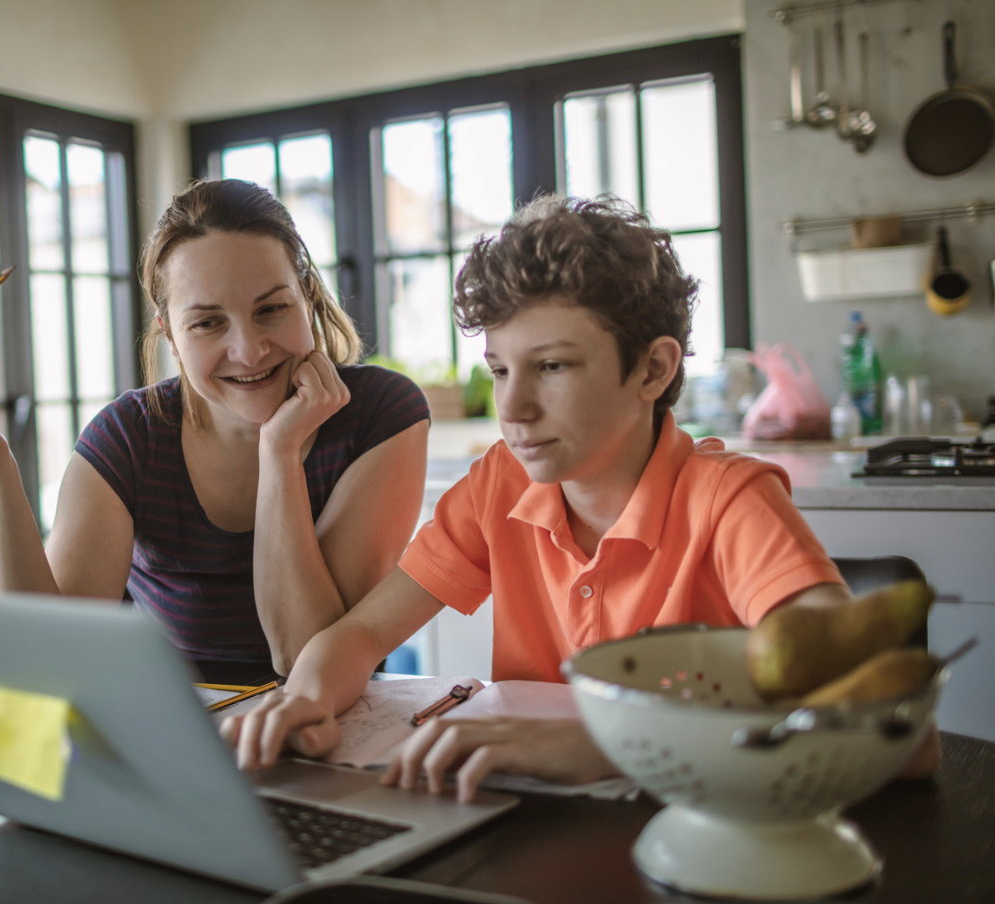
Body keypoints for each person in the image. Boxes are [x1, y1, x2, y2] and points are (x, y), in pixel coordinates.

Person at [223, 194, 939, 798]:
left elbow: (900, 737)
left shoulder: (729, 502)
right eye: (500, 371)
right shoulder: (497, 485)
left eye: (553, 366)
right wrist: (307, 699)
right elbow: (363, 635)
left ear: (653, 369)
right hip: (530, 822)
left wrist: (610, 746)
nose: (516, 408)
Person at [0, 179, 430, 683]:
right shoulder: (129, 438)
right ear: (168, 332)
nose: (249, 349)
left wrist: (278, 451)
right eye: (208, 322)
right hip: (173, 750)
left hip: (337, 740)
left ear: (306, 299)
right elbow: (40, 665)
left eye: (271, 310)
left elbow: (302, 656)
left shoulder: (382, 415)